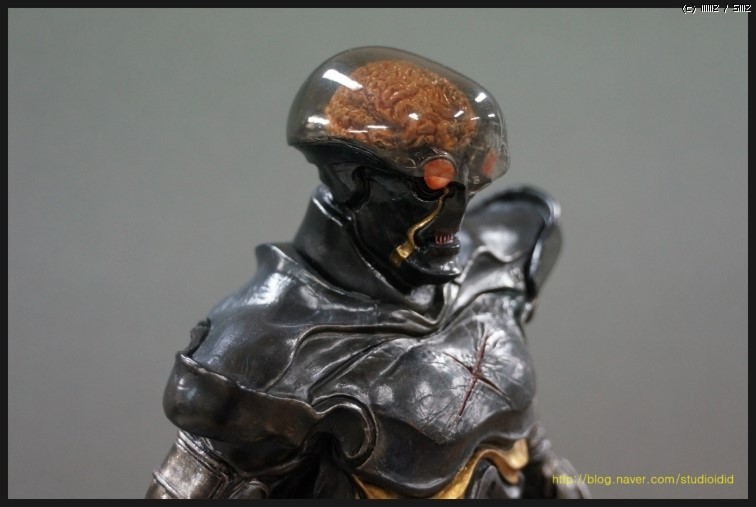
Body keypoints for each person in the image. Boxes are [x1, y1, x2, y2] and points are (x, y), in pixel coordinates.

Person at [145, 46, 588, 499]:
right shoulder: (265, 352)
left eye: (469, 185)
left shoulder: (496, 263)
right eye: (432, 185)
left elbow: (527, 446)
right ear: (354, 180)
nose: (456, 214)